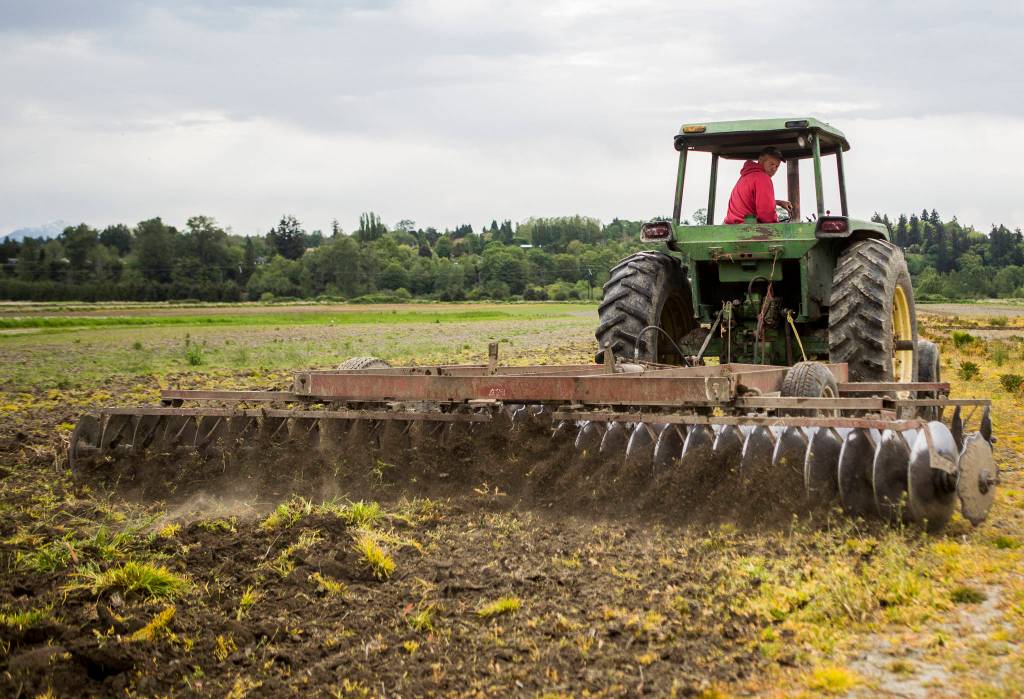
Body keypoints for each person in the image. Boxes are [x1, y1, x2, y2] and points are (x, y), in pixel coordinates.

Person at [723, 146, 793, 224]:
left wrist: (778, 202)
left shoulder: (746, 176)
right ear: (761, 161)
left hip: (733, 226)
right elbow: (766, 214)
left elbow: (751, 200)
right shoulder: (763, 178)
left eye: (777, 166)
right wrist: (777, 224)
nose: (774, 169)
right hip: (748, 229)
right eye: (771, 164)